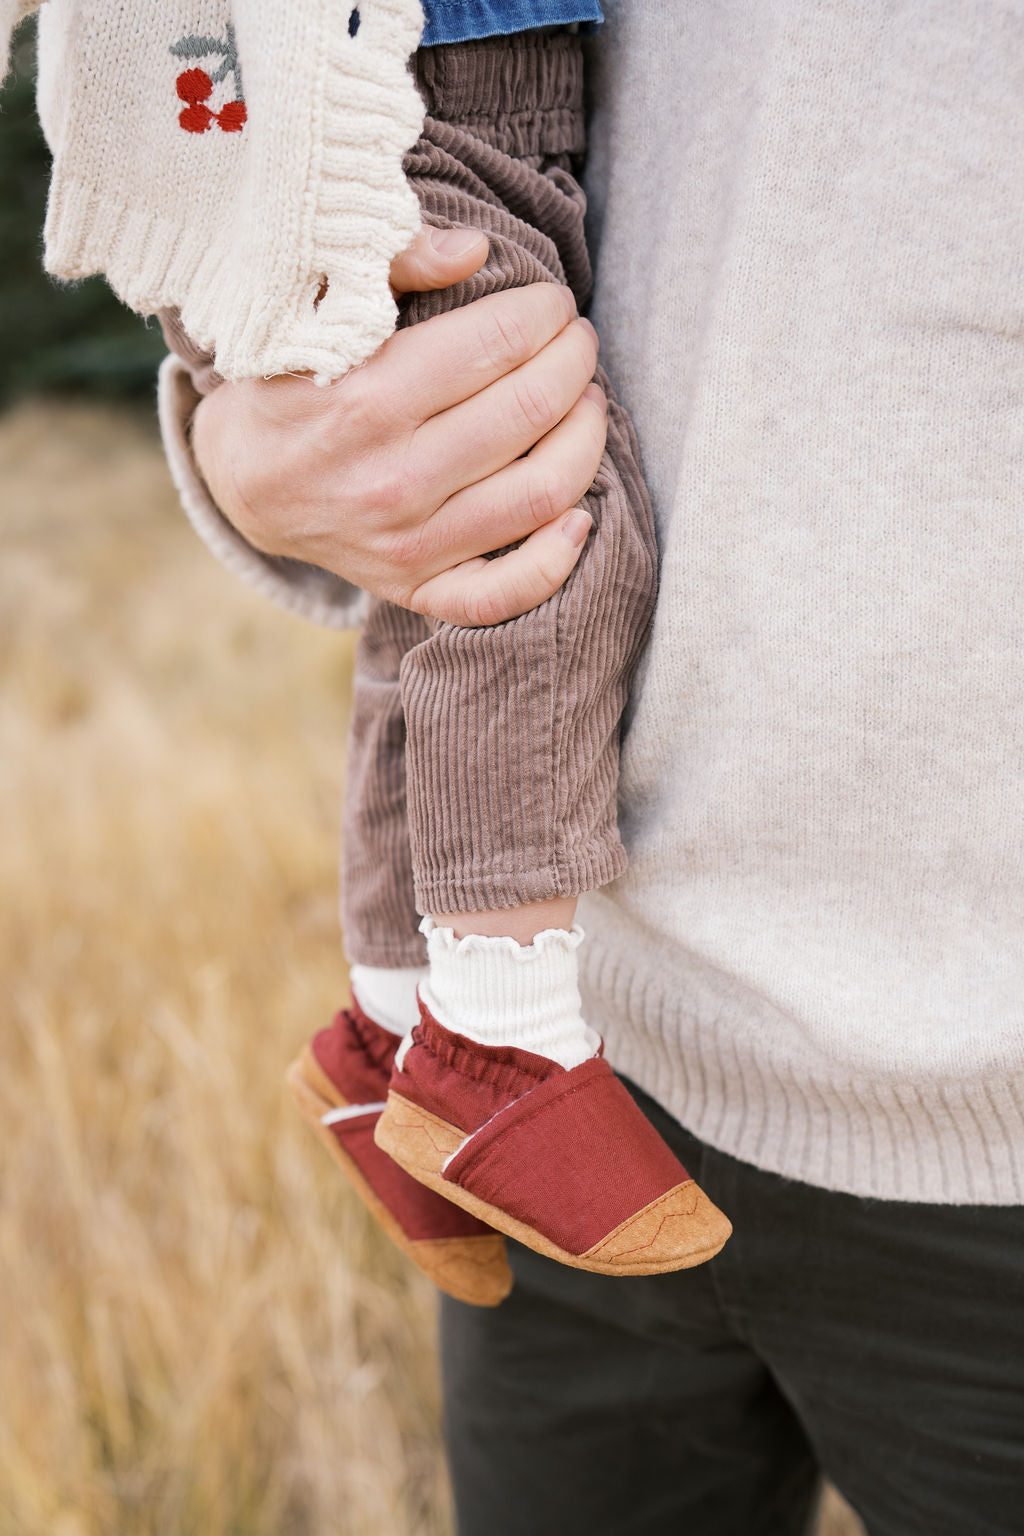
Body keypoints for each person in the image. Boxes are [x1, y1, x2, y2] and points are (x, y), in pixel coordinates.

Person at [13, 0, 1024, 1530]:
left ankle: (406, 1029)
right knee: (518, 557)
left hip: (979, 1155)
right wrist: (259, 437)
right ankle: (476, 1051)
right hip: (598, 1059)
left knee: (493, 572)